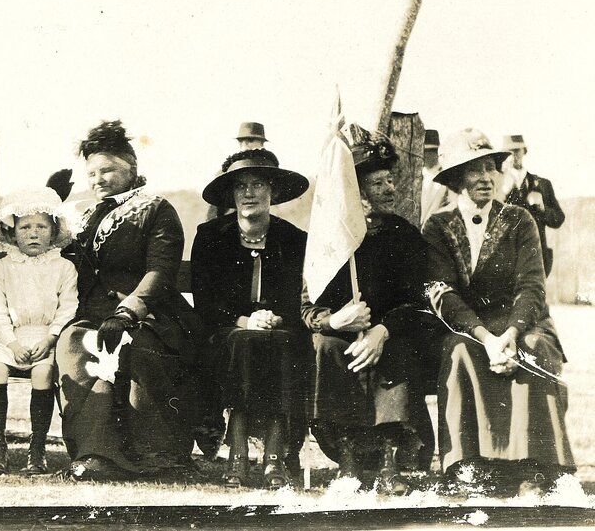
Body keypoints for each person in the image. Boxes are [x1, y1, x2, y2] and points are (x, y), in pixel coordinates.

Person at [424, 128, 574, 495]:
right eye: (474, 170)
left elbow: (532, 285)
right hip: (468, 326)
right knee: (459, 352)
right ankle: (470, 468)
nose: (486, 178)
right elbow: (442, 292)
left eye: (491, 167)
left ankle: (536, 470)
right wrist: (485, 338)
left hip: (522, 322)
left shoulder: (520, 220)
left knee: (535, 349)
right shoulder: (437, 226)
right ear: (456, 179)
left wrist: (510, 334)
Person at [55, 120, 203, 481]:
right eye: (91, 174)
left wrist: (128, 311)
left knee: (132, 346)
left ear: (131, 168)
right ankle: (94, 454)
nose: (98, 179)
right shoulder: (85, 216)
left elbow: (161, 271)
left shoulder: (156, 209)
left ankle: (157, 455)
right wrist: (51, 206)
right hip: (92, 314)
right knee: (74, 344)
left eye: (108, 170)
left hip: (150, 314)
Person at [302, 134, 429, 495]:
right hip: (343, 336)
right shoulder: (331, 240)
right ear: (354, 191)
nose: (389, 189)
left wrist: (382, 330)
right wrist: (334, 321)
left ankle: (390, 461)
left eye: (390, 180)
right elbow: (308, 307)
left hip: (391, 334)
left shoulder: (404, 236)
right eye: (378, 183)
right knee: (327, 346)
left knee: (398, 349)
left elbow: (419, 302)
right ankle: (348, 460)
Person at [191, 149, 311, 488]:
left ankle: (275, 453)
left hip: (280, 331)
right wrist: (245, 321)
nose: (248, 193)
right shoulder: (211, 236)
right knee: (245, 342)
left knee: (281, 342)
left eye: (258, 185)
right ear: (231, 194)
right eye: (240, 186)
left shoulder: (295, 240)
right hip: (225, 333)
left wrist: (275, 318)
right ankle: (239, 452)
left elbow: (299, 298)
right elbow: (206, 302)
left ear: (273, 191)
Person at [0, 187, 78, 476]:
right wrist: (11, 343)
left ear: (54, 231)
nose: (33, 234)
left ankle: (37, 448)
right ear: (12, 233)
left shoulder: (63, 267)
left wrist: (51, 337)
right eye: (25, 227)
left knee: (43, 373)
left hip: (45, 336)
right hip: (7, 336)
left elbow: (68, 306)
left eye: (41, 227)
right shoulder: (3, 267)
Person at [500, 134, 564, 277]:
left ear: (524, 151)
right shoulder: (497, 184)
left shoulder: (542, 184)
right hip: (506, 258)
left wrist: (542, 208)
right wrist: (504, 192)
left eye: (517, 150)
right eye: (509, 152)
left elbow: (558, 219)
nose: (513, 155)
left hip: (536, 256)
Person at [205, 122, 269, 221]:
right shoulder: (226, 172)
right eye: (243, 141)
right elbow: (213, 212)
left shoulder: (268, 170)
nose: (246, 145)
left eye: (251, 140)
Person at [420, 128, 449, 226]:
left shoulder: (446, 178)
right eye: (424, 151)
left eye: (432, 151)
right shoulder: (417, 177)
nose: (426, 155)